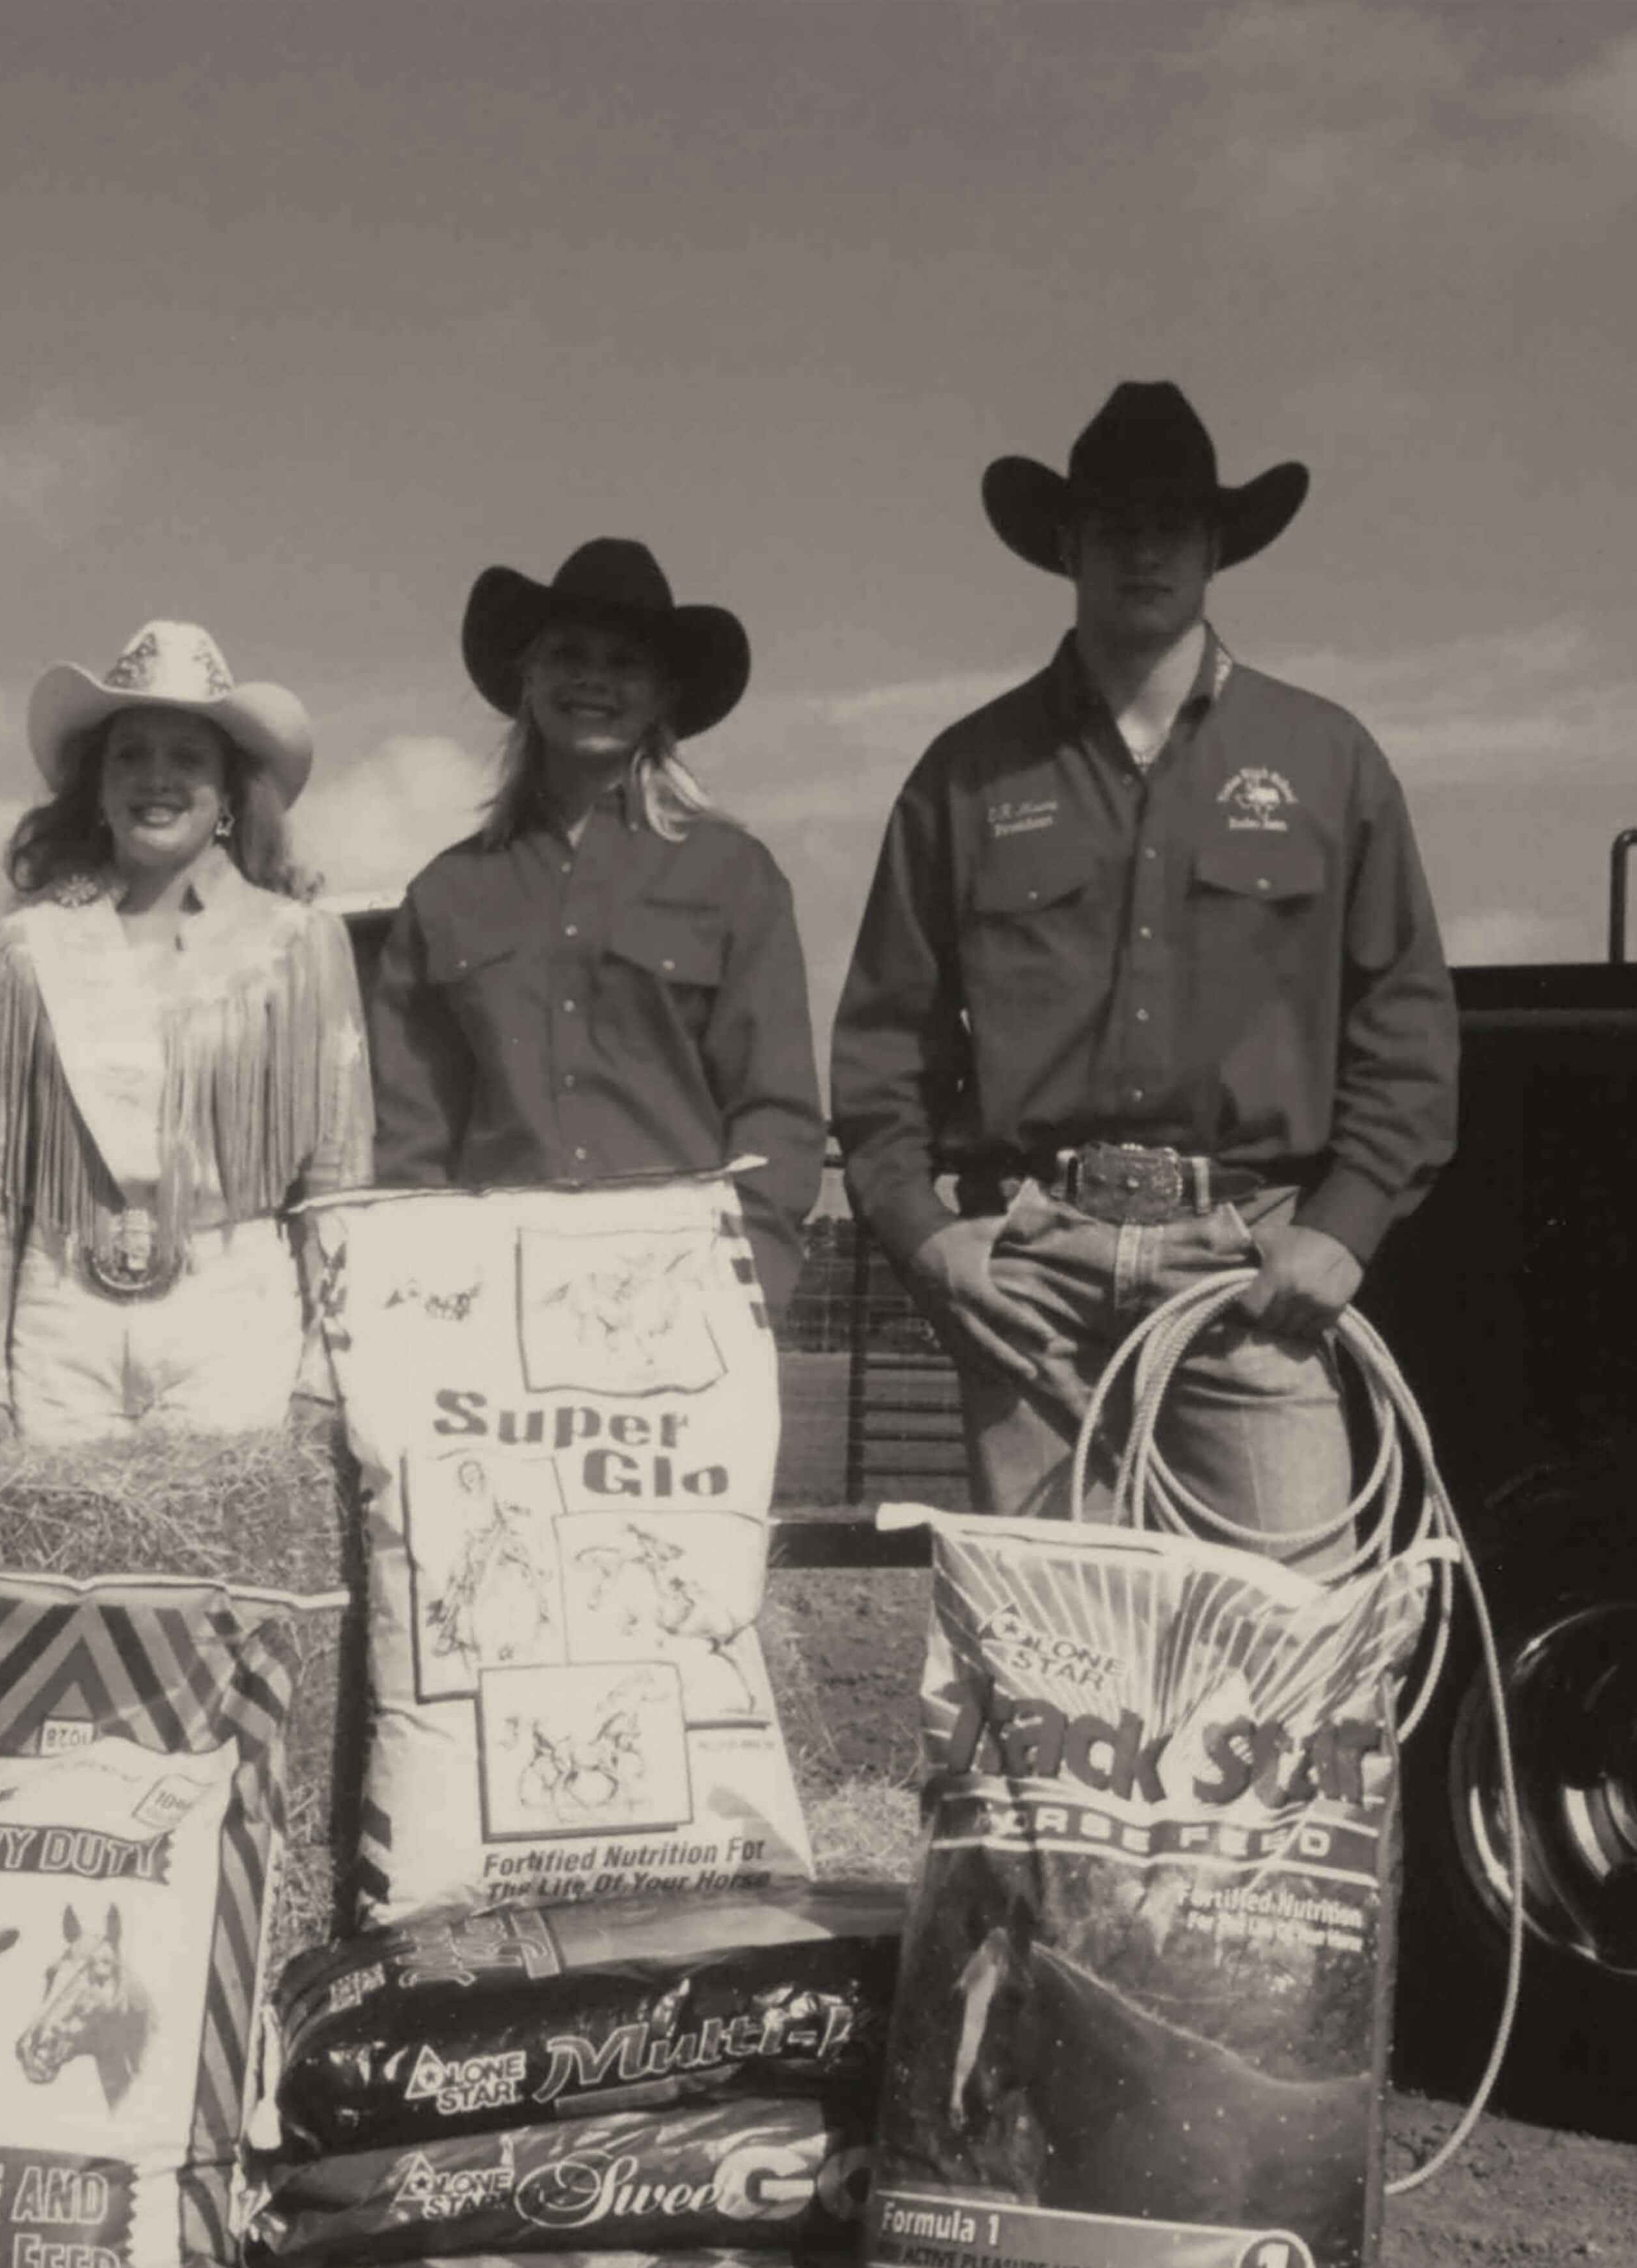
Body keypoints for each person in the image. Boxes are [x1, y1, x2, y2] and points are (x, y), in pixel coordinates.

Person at [827, 383, 1458, 1569]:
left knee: (1288, 1651)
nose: (1145, 550)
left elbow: (1406, 1025)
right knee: (1061, 1669)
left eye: (1172, 524)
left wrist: (1343, 1227)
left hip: (1248, 1268)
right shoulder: (963, 774)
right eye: (1114, 525)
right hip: (1031, 1282)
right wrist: (925, 1236)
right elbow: (883, 1040)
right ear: (1065, 545)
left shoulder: (1327, 760)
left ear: (1216, 545)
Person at [0, 620, 370, 1448]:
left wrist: (328, 1370)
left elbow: (337, 1178)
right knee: (52, 1573)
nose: (156, 779)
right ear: (95, 787)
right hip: (60, 1319)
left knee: (226, 1575)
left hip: (233, 1311)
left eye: (187, 757)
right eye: (130, 754)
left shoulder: (298, 943)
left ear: (229, 794)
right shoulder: (28, 948)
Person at [363, 538, 821, 1318]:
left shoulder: (734, 876)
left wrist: (750, 1280)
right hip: (487, 1297)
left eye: (625, 662)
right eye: (567, 654)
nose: (593, 680)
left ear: (664, 694)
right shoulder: (446, 894)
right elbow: (410, 1131)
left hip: (682, 1295)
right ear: (528, 680)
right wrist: (420, 1297)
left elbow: (773, 1105)